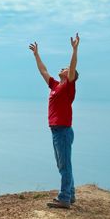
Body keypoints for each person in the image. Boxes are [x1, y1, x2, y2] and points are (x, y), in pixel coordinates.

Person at [29, 33, 80, 209]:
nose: (63, 68)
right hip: (57, 130)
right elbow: (43, 71)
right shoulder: (55, 86)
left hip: (63, 130)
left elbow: (73, 67)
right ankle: (70, 194)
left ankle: (64, 197)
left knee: (64, 164)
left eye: (66, 68)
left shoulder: (68, 86)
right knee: (64, 163)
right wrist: (36, 55)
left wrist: (74, 50)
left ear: (70, 75)